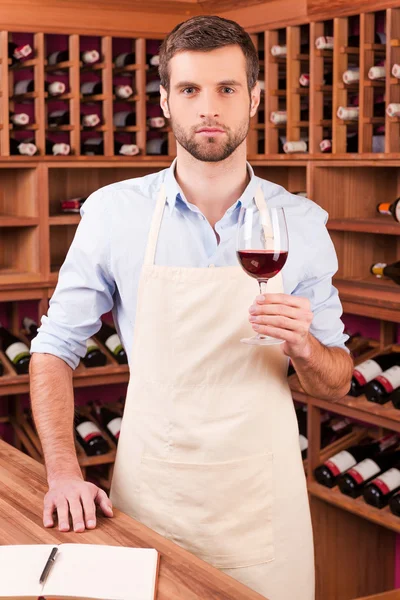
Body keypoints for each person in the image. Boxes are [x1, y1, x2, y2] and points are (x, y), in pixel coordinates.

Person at [30, 14, 353, 600]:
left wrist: (306, 347)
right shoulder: (113, 213)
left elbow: (337, 383)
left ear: (254, 98)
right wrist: (62, 472)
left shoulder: (300, 223)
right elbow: (53, 349)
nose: (209, 107)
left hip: (264, 505)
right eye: (190, 90)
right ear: (164, 102)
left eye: (227, 89)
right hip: (153, 494)